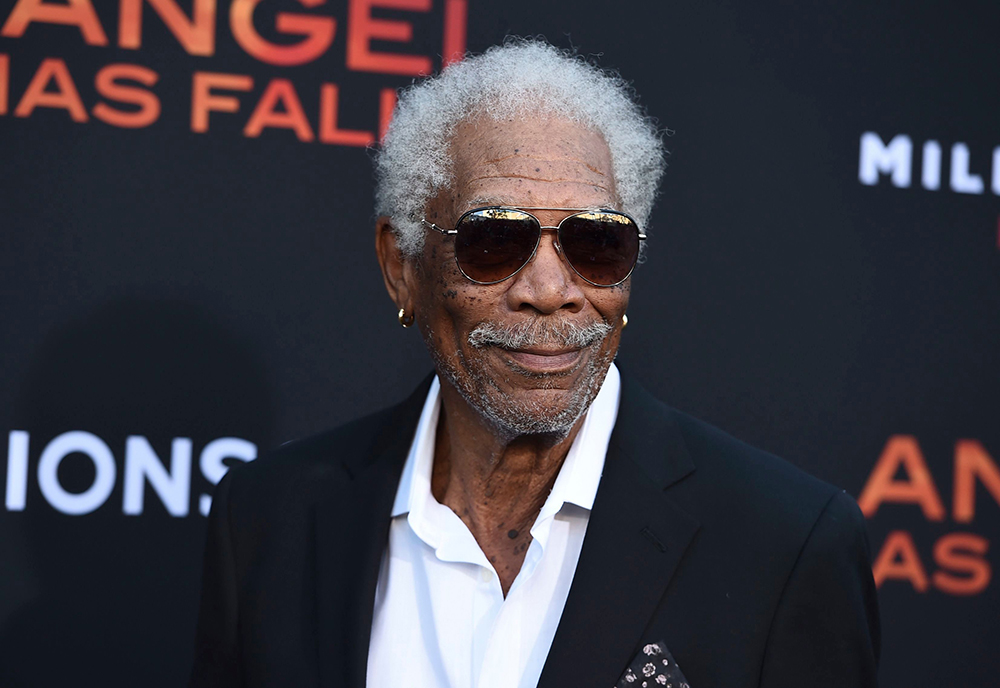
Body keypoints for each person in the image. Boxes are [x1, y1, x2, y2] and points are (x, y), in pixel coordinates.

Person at [189, 39, 880, 688]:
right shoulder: (269, 522)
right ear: (402, 267)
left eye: (596, 245)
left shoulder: (785, 547)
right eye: (492, 241)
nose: (550, 291)